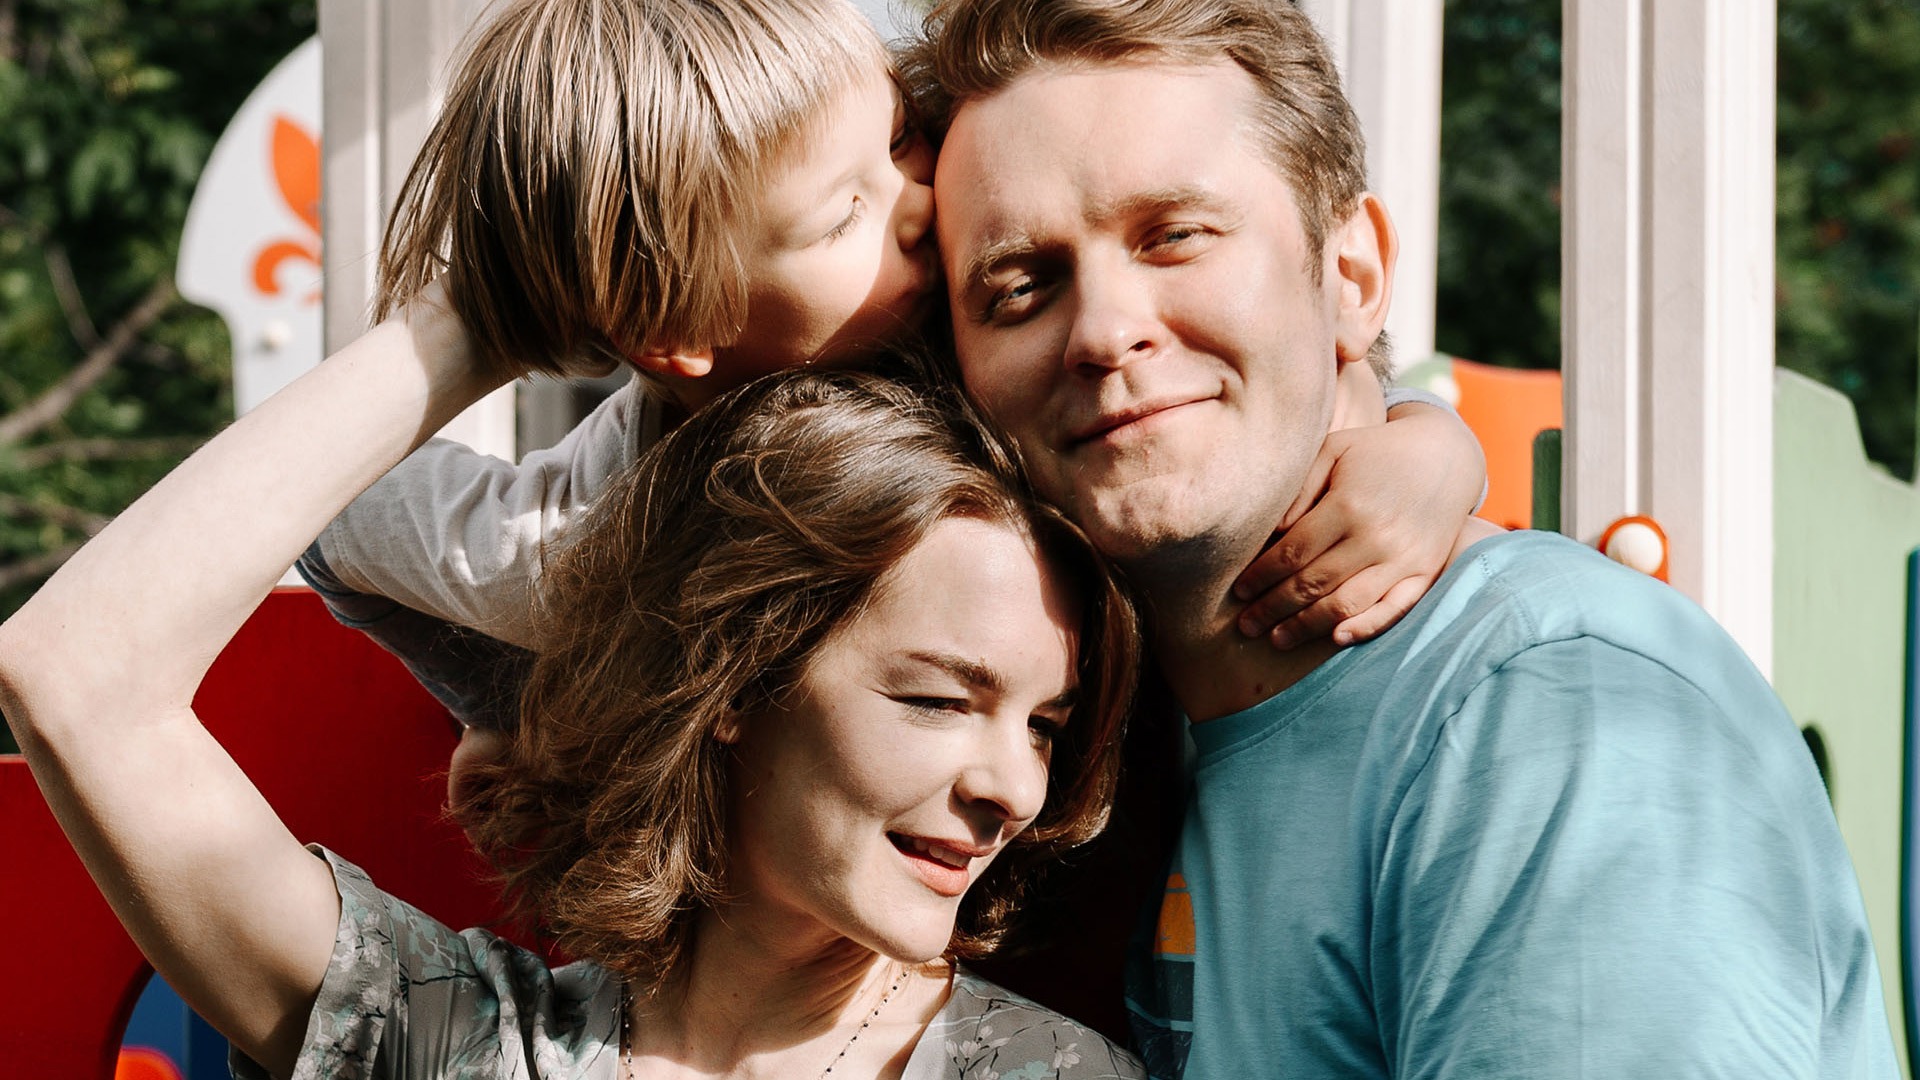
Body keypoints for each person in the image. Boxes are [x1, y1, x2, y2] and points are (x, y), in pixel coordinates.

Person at [902, 0, 1900, 1076]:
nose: (1104, 331)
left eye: (1176, 236)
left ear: (1355, 278)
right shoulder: (1079, 742)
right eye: (1019, 287)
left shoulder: (1554, 720)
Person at [297, 0, 1490, 793]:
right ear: (682, 333)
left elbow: (1287, 351)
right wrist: (519, 702)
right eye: (844, 214)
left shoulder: (945, 316)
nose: (924, 203)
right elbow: (335, 522)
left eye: (900, 139)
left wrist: (1430, 447)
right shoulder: (579, 545)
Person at [0, 284, 1151, 1077]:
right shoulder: (460, 1043)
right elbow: (77, 671)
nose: (1015, 789)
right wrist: (488, 304)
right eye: (941, 699)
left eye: (1044, 726)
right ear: (735, 678)